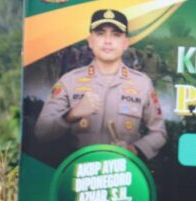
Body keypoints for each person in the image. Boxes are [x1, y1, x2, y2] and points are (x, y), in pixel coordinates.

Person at [35, 9, 167, 160]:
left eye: (116, 35)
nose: (108, 41)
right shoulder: (69, 81)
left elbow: (159, 133)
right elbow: (41, 133)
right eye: (100, 33)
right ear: (90, 41)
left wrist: (134, 149)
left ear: (126, 43)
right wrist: (71, 115)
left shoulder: (142, 84)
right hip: (78, 174)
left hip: (123, 174)